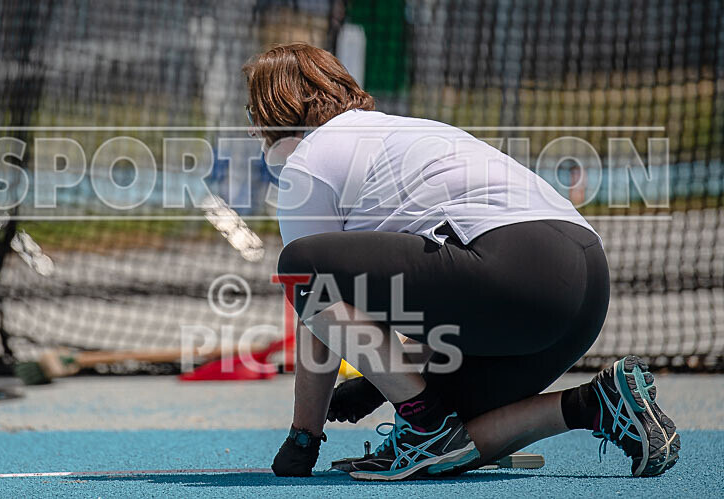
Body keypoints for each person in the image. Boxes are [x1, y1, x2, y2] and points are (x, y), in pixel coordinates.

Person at [243, 43, 680, 481]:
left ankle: (425, 424)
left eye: (252, 113)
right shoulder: (406, 130)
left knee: (299, 263)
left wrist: (304, 436)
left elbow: (313, 295)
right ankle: (597, 404)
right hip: (582, 287)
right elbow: (446, 287)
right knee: (449, 437)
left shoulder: (311, 158)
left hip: (515, 266)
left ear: (274, 109)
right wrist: (383, 384)